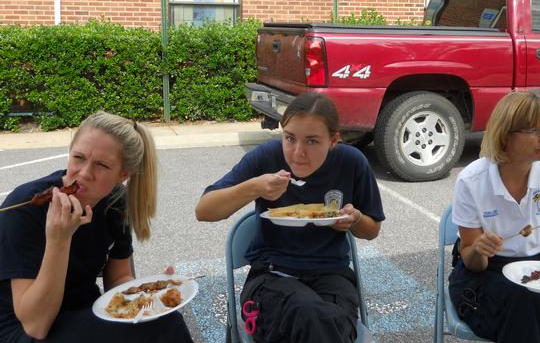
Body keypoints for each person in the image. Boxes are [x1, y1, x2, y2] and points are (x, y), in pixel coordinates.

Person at [196, 93, 385, 343]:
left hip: (332, 276)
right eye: (290, 138)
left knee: (318, 321)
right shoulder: (267, 157)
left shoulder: (352, 163)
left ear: (333, 140)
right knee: (314, 318)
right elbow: (204, 210)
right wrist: (254, 187)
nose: (298, 152)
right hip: (270, 277)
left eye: (312, 141)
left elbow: (371, 230)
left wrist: (356, 219)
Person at [0, 112, 193, 343]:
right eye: (78, 157)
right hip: (23, 329)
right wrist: (59, 240)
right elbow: (35, 325)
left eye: (101, 165)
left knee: (164, 322)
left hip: (84, 311)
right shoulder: (25, 207)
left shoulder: (115, 203)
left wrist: (149, 290)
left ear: (123, 175)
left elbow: (119, 277)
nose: (84, 173)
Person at [448, 91, 540, 343]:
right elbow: (473, 262)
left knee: (531, 300)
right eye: (534, 131)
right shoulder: (472, 181)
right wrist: (480, 250)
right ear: (505, 135)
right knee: (528, 303)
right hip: (486, 274)